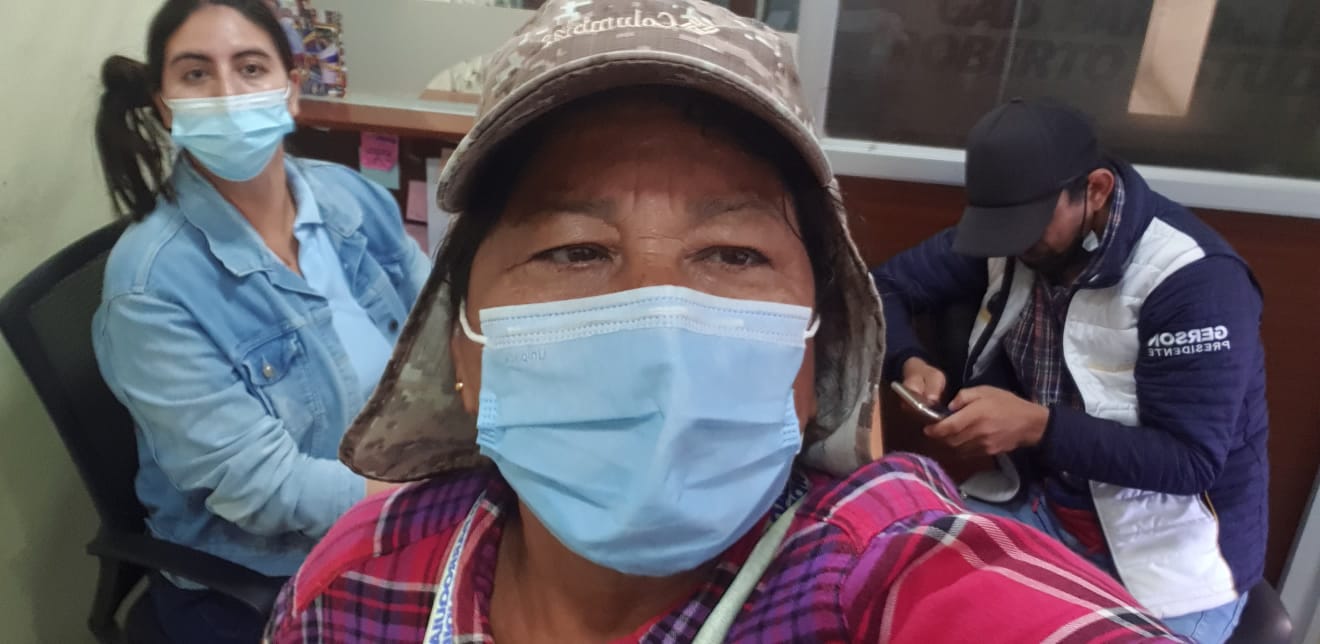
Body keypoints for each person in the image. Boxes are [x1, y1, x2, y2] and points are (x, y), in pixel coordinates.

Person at [264, 2, 1180, 642]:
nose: (659, 319)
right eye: (574, 250)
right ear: (461, 347)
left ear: (816, 347)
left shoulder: (876, 573)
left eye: (734, 255)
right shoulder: (355, 587)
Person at [872, 98, 1268, 643]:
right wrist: (908, 359)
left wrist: (1036, 427)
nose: (1013, 245)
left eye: (1028, 226)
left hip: (1170, 563)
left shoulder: (1194, 281)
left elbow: (1189, 462)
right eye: (1001, 226)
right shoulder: (1012, 238)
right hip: (1042, 509)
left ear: (1095, 190)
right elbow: (883, 287)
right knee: (892, 587)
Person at [91, 0, 429, 641]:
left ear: (291, 90)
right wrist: (427, 496)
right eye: (196, 74)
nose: (227, 95)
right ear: (166, 107)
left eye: (250, 67)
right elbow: (266, 488)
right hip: (267, 575)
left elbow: (438, 316)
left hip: (393, 488)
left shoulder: (344, 194)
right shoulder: (149, 288)